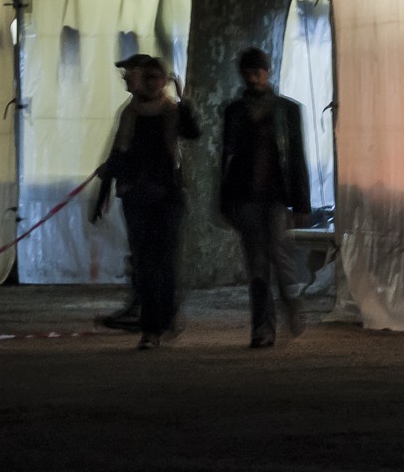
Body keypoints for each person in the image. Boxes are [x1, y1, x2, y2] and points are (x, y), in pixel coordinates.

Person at [91, 56, 199, 349]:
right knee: (145, 263)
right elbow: (119, 154)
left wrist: (184, 100)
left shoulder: (171, 111)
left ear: (161, 81)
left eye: (152, 78)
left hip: (167, 197)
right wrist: (103, 192)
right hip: (138, 197)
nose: (130, 79)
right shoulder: (130, 113)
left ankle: (164, 318)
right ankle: (151, 329)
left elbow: (192, 132)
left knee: (164, 262)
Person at [219, 46, 312, 348]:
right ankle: (265, 326)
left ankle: (282, 313)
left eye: (256, 71)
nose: (252, 77)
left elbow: (296, 158)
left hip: (273, 196)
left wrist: (302, 202)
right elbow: (226, 159)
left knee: (274, 257)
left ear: (267, 72)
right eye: (248, 72)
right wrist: (225, 199)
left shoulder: (283, 111)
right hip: (248, 196)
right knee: (260, 263)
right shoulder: (238, 111)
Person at [94, 53, 152, 332]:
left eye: (129, 71)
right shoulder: (132, 109)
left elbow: (135, 154)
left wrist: (113, 169)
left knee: (145, 253)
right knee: (140, 252)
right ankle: (141, 307)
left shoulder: (147, 111)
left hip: (146, 193)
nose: (125, 77)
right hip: (135, 191)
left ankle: (144, 310)